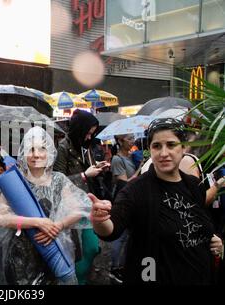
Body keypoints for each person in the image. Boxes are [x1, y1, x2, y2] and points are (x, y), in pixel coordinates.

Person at [91, 118, 223, 284]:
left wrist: (212, 239)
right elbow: (112, 229)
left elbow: (197, 222)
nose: (164, 153)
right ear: (150, 150)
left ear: (183, 148)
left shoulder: (193, 184)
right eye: (157, 146)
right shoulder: (136, 190)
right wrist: (100, 220)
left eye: (171, 144)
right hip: (156, 276)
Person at [0, 126, 92, 285]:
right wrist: (37, 222)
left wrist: (58, 225)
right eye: (31, 149)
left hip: (55, 250)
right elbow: (1, 218)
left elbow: (78, 210)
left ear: (50, 152)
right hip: (22, 256)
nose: (36, 154)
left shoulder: (59, 180)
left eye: (42, 149)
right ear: (23, 152)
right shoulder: (15, 181)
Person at [53, 109, 110, 285]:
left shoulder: (84, 148)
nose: (89, 137)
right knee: (79, 251)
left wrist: (98, 168)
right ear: (79, 129)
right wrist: (85, 175)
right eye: (88, 133)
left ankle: (80, 279)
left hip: (86, 204)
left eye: (92, 134)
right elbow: (57, 180)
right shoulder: (63, 148)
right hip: (70, 208)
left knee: (92, 248)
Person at [108, 134, 143, 284]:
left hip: (134, 201)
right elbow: (125, 184)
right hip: (122, 202)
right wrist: (140, 170)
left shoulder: (132, 156)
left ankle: (123, 265)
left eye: (132, 138)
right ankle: (115, 268)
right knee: (119, 235)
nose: (132, 141)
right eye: (128, 139)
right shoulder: (117, 160)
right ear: (120, 141)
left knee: (129, 235)